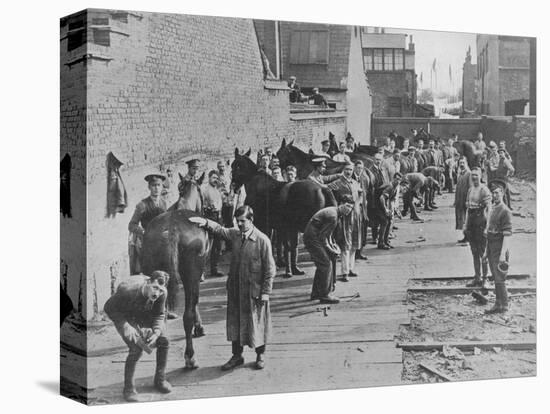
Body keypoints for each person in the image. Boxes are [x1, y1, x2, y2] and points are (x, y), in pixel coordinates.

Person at [189, 206, 276, 370]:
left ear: (251, 220)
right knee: (235, 323)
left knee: (257, 323)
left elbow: (270, 270)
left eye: (243, 221)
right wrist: (204, 222)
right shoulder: (235, 235)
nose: (240, 224)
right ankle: (237, 356)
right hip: (236, 289)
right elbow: (220, 230)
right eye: (238, 221)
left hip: (255, 291)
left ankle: (260, 355)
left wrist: (266, 292)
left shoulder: (262, 240)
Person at [104, 271, 172, 402]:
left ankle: (160, 380)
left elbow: (159, 314)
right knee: (136, 348)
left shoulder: (162, 293)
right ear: (147, 283)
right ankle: (128, 389)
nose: (157, 293)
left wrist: (157, 332)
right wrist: (126, 326)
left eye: (161, 290)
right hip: (126, 317)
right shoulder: (127, 290)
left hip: (146, 314)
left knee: (164, 341)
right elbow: (109, 307)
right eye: (155, 288)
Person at [304, 196, 354, 304]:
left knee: (323, 264)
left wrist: (333, 247)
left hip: (314, 236)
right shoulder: (333, 216)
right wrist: (331, 250)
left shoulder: (335, 212)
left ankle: (316, 293)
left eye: (351, 208)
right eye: (347, 206)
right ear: (341, 204)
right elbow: (323, 237)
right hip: (313, 238)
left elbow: (328, 235)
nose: (348, 210)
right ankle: (325, 295)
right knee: (326, 264)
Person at [328, 162, 363, 281]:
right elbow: (327, 191)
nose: (349, 172)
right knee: (345, 244)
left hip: (356, 215)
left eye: (350, 170)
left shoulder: (355, 182)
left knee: (354, 243)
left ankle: (351, 267)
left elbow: (360, 196)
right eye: (347, 169)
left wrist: (359, 201)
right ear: (343, 170)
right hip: (345, 216)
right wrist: (340, 204)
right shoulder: (337, 183)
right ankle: (344, 272)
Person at [128, 173, 168, 275]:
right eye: (153, 185)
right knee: (150, 270)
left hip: (162, 240)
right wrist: (143, 232)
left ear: (162, 186)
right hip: (148, 241)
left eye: (158, 185)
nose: (156, 188)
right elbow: (132, 225)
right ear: (149, 187)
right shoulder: (142, 205)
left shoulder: (164, 203)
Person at [484, 180, 513, 314]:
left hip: (499, 248)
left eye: (497, 193)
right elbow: (489, 231)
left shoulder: (505, 211)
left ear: (502, 193)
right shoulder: (493, 209)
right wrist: (486, 251)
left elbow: (507, 235)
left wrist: (502, 255)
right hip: (491, 246)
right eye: (493, 193)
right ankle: (498, 303)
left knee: (500, 276)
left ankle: (504, 305)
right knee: (495, 276)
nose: (494, 195)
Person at [464, 167, 492, 287]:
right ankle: (477, 277)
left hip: (480, 221)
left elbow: (489, 209)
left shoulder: (484, 190)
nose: (474, 177)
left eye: (476, 175)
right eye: (473, 175)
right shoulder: (470, 190)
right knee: (474, 251)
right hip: (471, 222)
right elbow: (467, 209)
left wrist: (487, 227)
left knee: (482, 252)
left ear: (480, 176)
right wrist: (465, 225)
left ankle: (485, 279)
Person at [202, 170, 224, 278]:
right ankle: (201, 271)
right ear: (209, 178)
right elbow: (201, 205)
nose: (215, 180)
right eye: (213, 178)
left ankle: (214, 269)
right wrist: (207, 208)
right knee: (208, 245)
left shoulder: (217, 191)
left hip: (218, 218)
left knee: (217, 245)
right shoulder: (205, 190)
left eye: (217, 178)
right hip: (209, 217)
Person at [374, 172, 402, 250]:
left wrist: (393, 211)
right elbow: (382, 198)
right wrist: (385, 209)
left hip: (384, 204)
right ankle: (381, 243)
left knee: (389, 221)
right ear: (393, 179)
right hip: (377, 204)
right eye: (396, 179)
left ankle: (386, 241)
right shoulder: (390, 186)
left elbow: (391, 200)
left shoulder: (395, 188)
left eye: (399, 180)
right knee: (384, 221)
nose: (398, 181)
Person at [352, 160, 369, 260]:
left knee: (363, 228)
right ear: (354, 167)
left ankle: (359, 252)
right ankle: (353, 253)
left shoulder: (364, 179)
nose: (359, 170)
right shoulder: (351, 178)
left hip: (363, 207)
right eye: (358, 168)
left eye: (361, 168)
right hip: (354, 207)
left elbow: (366, 192)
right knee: (354, 230)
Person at [454, 157, 471, 243]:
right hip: (459, 201)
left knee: (466, 220)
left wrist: (469, 200)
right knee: (461, 219)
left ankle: (468, 238)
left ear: (466, 163)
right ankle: (465, 237)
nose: (461, 165)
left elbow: (471, 188)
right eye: (460, 163)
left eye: (463, 163)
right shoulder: (460, 174)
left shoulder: (469, 174)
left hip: (466, 200)